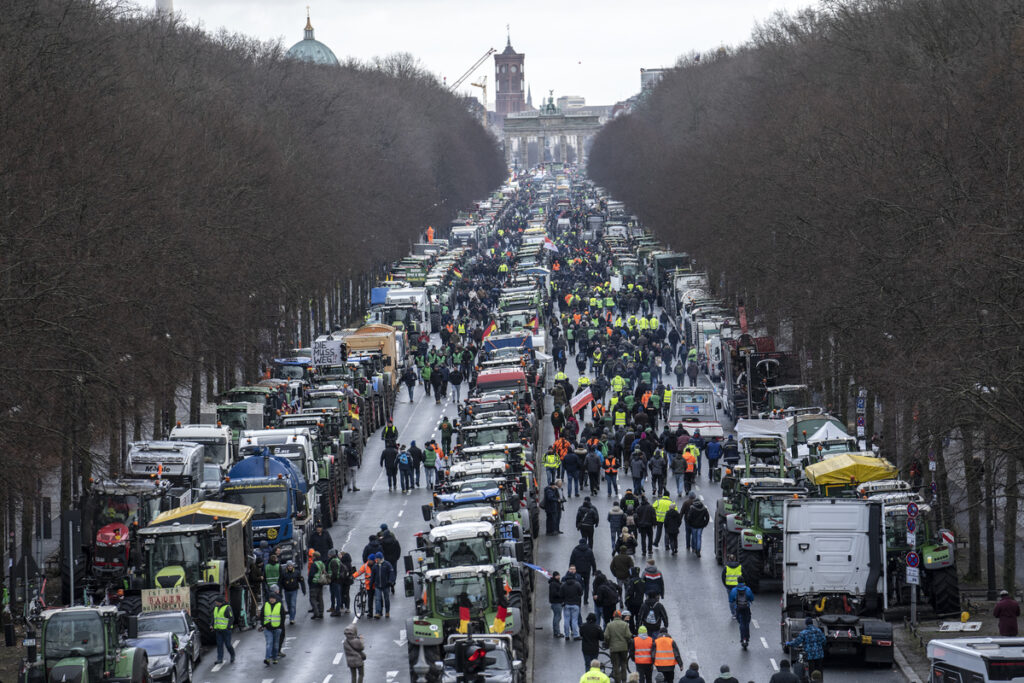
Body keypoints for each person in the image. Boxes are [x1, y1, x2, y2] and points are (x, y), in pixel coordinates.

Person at [604, 610, 632, 683]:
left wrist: (608, 642)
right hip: (623, 648)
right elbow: (628, 635)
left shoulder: (609, 625)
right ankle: (624, 680)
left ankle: (618, 680)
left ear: (613, 616)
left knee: (616, 666)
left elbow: (606, 636)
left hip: (613, 649)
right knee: (623, 664)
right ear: (620, 616)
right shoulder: (625, 624)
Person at [259, 588, 285, 665]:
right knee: (269, 643)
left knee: (276, 644)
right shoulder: (266, 605)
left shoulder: (279, 605)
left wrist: (280, 626)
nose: (272, 600)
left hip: (277, 628)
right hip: (268, 629)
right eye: (270, 598)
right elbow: (262, 616)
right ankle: (267, 659)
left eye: (273, 598)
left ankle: (275, 658)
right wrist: (263, 625)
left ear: (276, 599)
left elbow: (283, 617)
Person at [570, 538, 597, 604]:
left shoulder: (575, 550)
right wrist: (594, 570)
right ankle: (585, 600)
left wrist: (570, 570)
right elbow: (593, 561)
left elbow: (571, 561)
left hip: (578, 571)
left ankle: (578, 598)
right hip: (586, 570)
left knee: (577, 584)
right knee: (586, 585)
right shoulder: (589, 551)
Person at [729, 579, 755, 649]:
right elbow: (752, 598)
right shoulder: (748, 589)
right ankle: (746, 638)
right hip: (746, 608)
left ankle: (743, 639)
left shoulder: (734, 590)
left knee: (741, 623)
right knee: (746, 623)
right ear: (744, 581)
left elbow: (731, 600)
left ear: (737, 582)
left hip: (738, 609)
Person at [279, 560, 306, 625]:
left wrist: (303, 590)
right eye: (289, 566)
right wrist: (279, 591)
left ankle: (292, 618)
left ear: (293, 566)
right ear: (287, 567)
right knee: (289, 605)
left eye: (291, 566)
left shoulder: (296, 572)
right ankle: (291, 614)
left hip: (294, 591)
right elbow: (280, 582)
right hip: (286, 591)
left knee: (293, 605)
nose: (290, 567)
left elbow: (301, 581)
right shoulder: (283, 573)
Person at [212, 594, 235, 665]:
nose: (215, 603)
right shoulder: (216, 608)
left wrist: (228, 627)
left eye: (217, 602)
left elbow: (231, 618)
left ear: (220, 602)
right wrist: (211, 624)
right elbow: (213, 617)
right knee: (219, 645)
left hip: (226, 630)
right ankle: (219, 659)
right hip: (218, 630)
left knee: (228, 645)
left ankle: (232, 655)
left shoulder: (227, 608)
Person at [371, 552, 395, 619]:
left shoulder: (387, 564)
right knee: (377, 599)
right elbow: (373, 576)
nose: (376, 559)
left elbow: (391, 573)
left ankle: (387, 612)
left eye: (377, 558)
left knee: (386, 599)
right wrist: (371, 584)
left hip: (386, 585)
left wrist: (390, 581)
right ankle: (377, 613)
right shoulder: (375, 566)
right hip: (377, 585)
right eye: (376, 558)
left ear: (380, 558)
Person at [562, 567, 584, 640]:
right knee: (574, 620)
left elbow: (560, 594)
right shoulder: (577, 584)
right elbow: (581, 593)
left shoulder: (564, 585)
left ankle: (567, 635)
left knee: (566, 620)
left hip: (566, 604)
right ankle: (575, 635)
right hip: (575, 604)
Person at [308, 551, 328, 619]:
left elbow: (311, 575)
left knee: (312, 599)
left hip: (314, 583)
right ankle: (321, 613)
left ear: (314, 557)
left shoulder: (314, 564)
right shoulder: (322, 563)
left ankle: (316, 613)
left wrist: (309, 582)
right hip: (320, 583)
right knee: (320, 599)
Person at [549, 571, 564, 638]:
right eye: (557, 576)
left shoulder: (555, 583)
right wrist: (561, 594)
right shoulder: (554, 584)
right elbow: (554, 593)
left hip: (555, 603)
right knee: (557, 617)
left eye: (559, 575)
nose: (559, 577)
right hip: (556, 602)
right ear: (555, 576)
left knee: (556, 617)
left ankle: (556, 632)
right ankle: (557, 632)